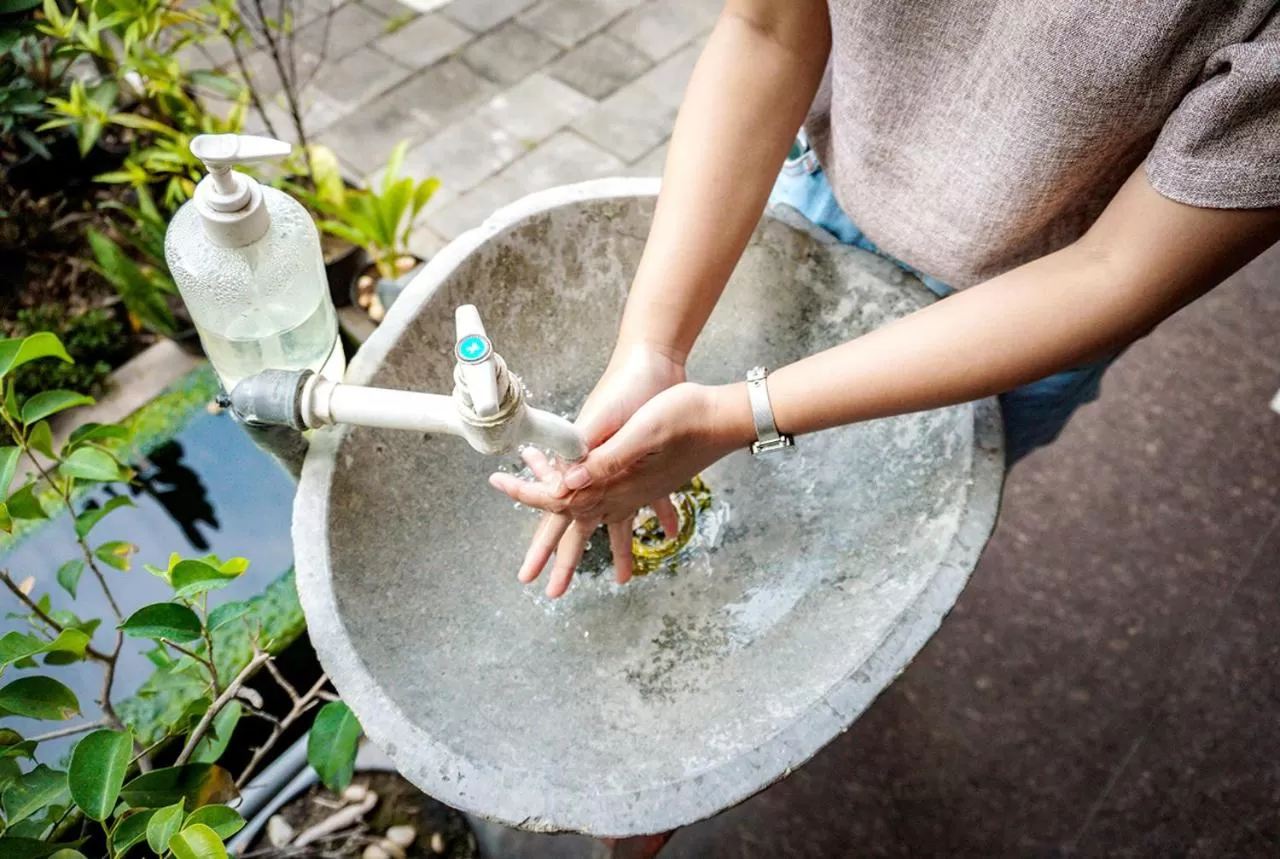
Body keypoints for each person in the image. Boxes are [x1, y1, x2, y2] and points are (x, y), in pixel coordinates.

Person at [489, 0, 1280, 598]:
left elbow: (1118, 270)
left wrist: (740, 416)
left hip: (1023, 312)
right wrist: (650, 348)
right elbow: (769, 32)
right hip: (822, 181)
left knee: (864, 562)